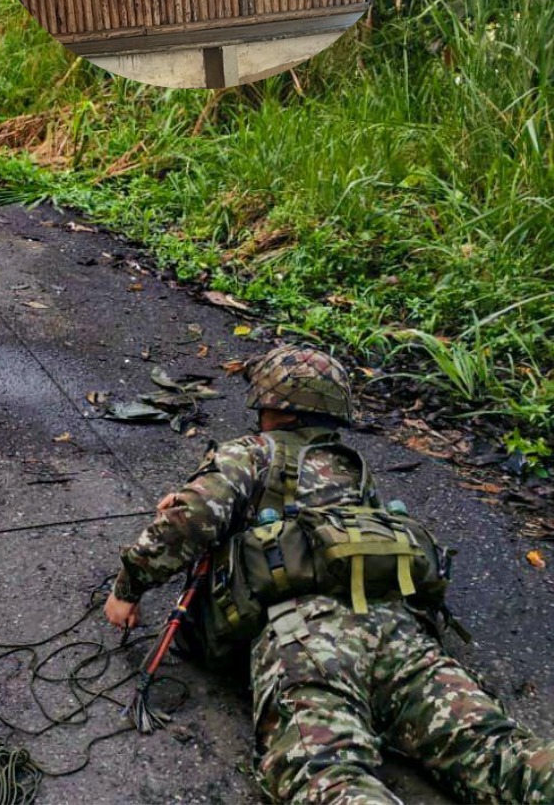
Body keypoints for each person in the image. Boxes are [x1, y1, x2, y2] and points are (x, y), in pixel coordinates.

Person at [103, 344, 554, 804]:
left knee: (326, 775)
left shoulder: (251, 454)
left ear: (270, 404)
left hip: (306, 638)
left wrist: (128, 588)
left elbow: (187, 521)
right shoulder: (355, 470)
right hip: (398, 629)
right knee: (498, 749)